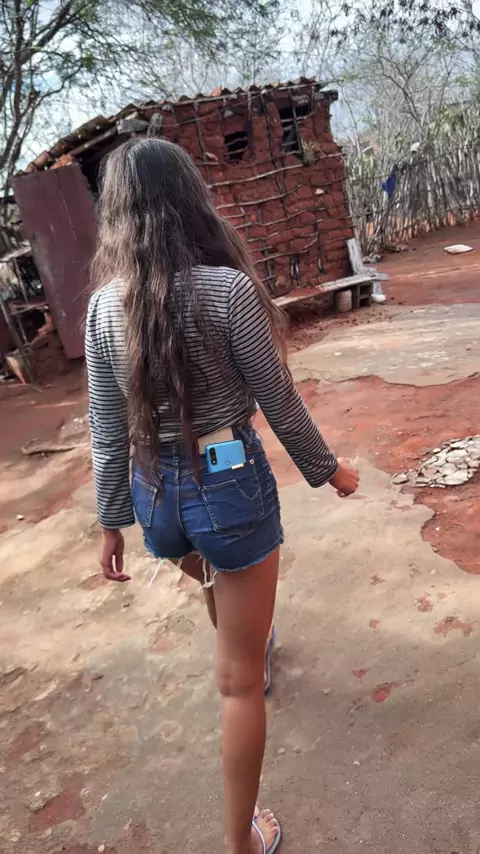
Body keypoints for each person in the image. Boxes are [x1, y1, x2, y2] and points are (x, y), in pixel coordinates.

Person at [85, 138, 359, 854]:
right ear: (190, 199)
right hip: (229, 484)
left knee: (212, 576)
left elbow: (106, 429)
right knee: (237, 685)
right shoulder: (226, 290)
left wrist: (111, 522)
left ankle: (249, 638)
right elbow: (279, 400)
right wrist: (329, 469)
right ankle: (241, 842)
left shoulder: (102, 308)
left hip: (155, 500)